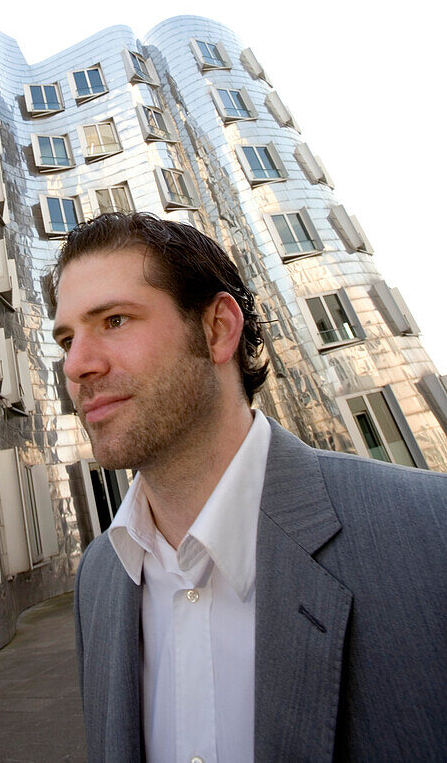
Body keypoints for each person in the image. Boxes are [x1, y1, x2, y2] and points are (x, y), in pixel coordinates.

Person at [49, 212, 447, 763]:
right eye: (67, 338)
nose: (77, 365)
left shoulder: (428, 535)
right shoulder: (98, 578)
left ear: (217, 329)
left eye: (114, 320)